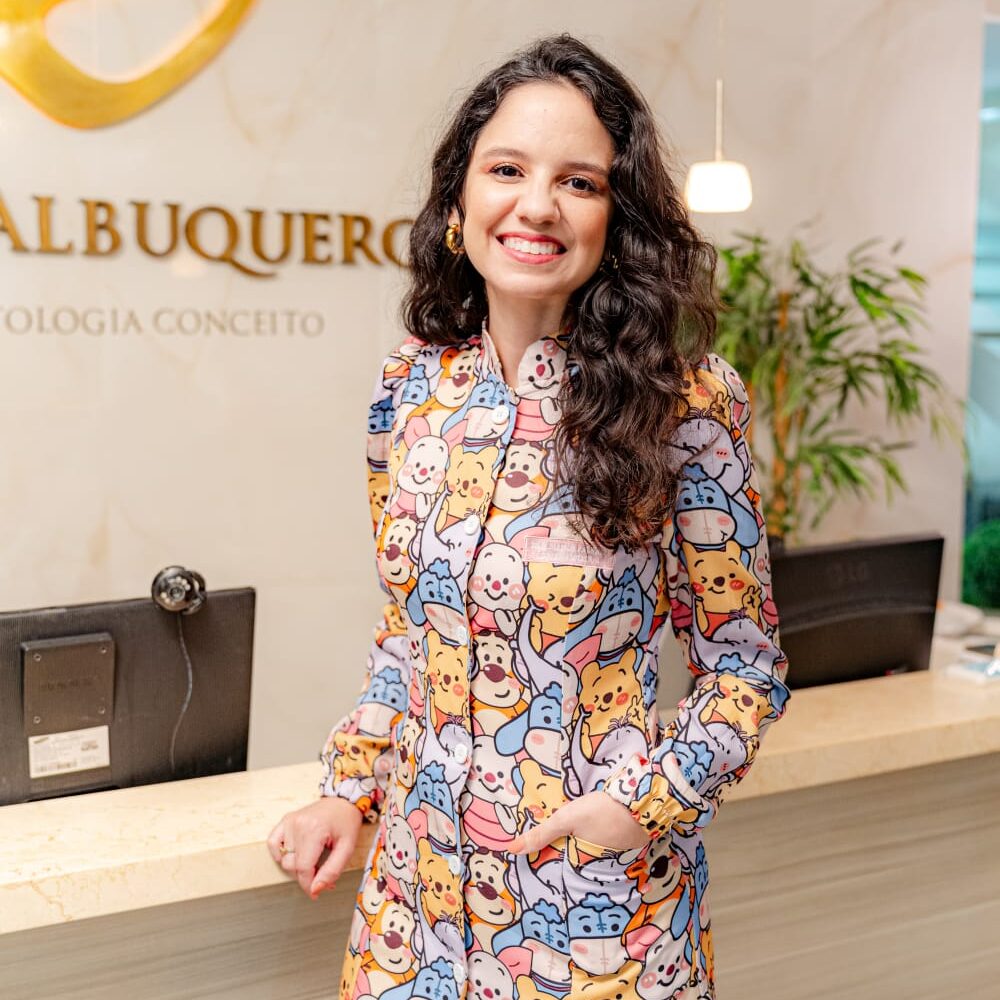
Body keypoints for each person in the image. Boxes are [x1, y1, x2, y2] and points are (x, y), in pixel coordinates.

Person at [268, 32, 790, 1000]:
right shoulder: (409, 390)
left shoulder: (686, 404)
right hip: (412, 915)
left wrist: (644, 805)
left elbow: (745, 667)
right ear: (459, 199)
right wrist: (348, 789)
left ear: (616, 220)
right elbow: (408, 633)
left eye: (578, 182)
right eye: (507, 169)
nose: (537, 205)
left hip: (596, 921)